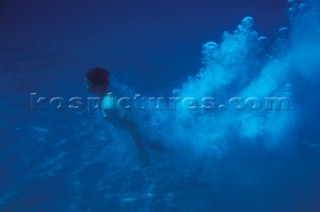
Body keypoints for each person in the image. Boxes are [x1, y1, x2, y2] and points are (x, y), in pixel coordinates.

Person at [85, 67, 150, 164]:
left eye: (87, 83)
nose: (85, 86)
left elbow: (132, 125)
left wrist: (141, 150)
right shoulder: (110, 88)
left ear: (98, 86)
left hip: (142, 133)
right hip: (144, 123)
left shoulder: (108, 104)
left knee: (157, 147)